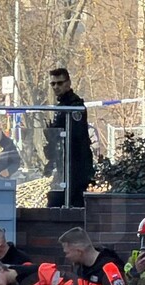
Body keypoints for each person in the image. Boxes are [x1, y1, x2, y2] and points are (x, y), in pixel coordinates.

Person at [44, 67, 94, 208]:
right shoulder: (62, 106)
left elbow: (76, 137)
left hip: (75, 165)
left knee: (68, 203)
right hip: (63, 164)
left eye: (59, 83)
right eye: (53, 84)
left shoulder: (75, 105)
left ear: (68, 83)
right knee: (57, 200)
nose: (56, 87)